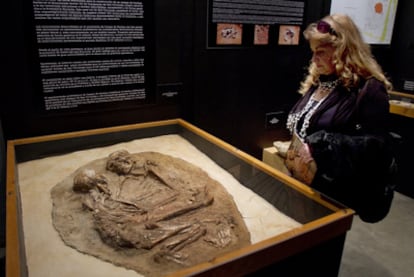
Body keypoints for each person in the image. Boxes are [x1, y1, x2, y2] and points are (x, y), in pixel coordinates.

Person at [281, 14, 397, 223]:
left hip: (333, 194)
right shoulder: (320, 82)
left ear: (343, 49)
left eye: (321, 52)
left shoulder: (369, 89)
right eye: (313, 52)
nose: (314, 60)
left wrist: (324, 145)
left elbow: (378, 148)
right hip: (304, 186)